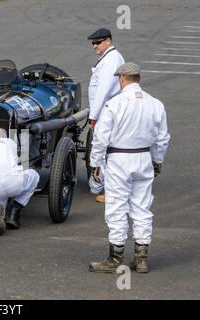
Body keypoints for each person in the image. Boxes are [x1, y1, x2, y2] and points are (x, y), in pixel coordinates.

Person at [88, 62, 170, 273]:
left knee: (116, 207)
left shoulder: (114, 104)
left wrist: (95, 163)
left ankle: (115, 258)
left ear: (122, 78)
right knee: (142, 208)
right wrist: (157, 160)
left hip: (119, 159)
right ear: (138, 79)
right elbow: (162, 139)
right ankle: (141, 257)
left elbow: (100, 137)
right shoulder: (156, 104)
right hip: (143, 158)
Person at [0, 127, 39, 235]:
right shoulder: (9, 143)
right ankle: (14, 212)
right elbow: (18, 162)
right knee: (34, 176)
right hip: (15, 182)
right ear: (3, 137)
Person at [87, 28, 125, 203]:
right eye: (93, 43)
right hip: (108, 108)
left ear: (108, 41)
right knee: (106, 147)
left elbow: (103, 90)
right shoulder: (110, 57)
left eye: (98, 42)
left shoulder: (110, 60)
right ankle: (98, 183)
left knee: (103, 147)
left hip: (106, 110)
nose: (95, 46)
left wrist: (93, 116)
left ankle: (98, 184)